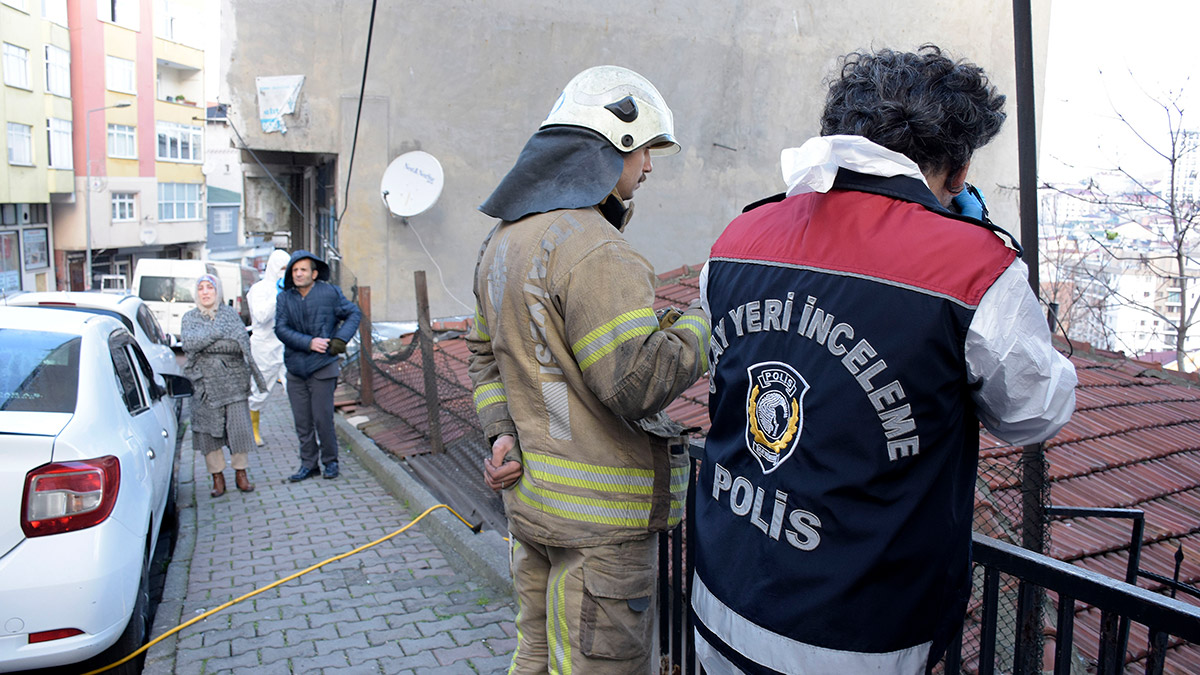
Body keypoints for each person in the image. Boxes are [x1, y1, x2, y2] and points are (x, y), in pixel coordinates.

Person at [691, 45, 1078, 675]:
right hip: (858, 637)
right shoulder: (976, 268)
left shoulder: (738, 238)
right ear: (958, 166)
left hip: (720, 600)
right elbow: (1035, 412)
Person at [465, 65, 711, 674]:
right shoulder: (598, 249)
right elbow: (635, 384)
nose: (650, 167)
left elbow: (482, 355)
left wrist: (501, 434)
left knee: (535, 656)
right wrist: (708, 321)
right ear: (612, 149)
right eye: (645, 150)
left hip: (534, 511)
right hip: (604, 530)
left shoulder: (501, 243)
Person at [275, 250, 361, 481]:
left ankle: (330, 463)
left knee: (323, 418)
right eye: (295, 270)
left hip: (323, 366)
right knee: (302, 421)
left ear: (314, 273)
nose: (299, 274)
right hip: (295, 368)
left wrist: (340, 340)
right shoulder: (284, 298)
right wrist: (309, 343)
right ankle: (309, 465)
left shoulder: (329, 293)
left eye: (303, 269)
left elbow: (354, 313)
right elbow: (280, 329)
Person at [182, 274, 268, 497]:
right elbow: (190, 344)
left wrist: (207, 342)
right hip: (204, 386)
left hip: (233, 382)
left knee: (239, 430)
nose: (205, 292)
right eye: (200, 288)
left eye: (209, 287)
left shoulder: (230, 314)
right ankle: (217, 477)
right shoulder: (189, 318)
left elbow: (239, 343)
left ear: (217, 291)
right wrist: (219, 335)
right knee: (208, 434)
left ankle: (241, 473)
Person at [247, 249, 291, 445]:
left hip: (287, 345)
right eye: (281, 268)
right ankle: (253, 429)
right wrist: (278, 295)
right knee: (259, 390)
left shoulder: (291, 288)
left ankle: (307, 431)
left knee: (296, 388)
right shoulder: (260, 289)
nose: (284, 272)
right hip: (264, 346)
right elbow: (261, 315)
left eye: (287, 268)